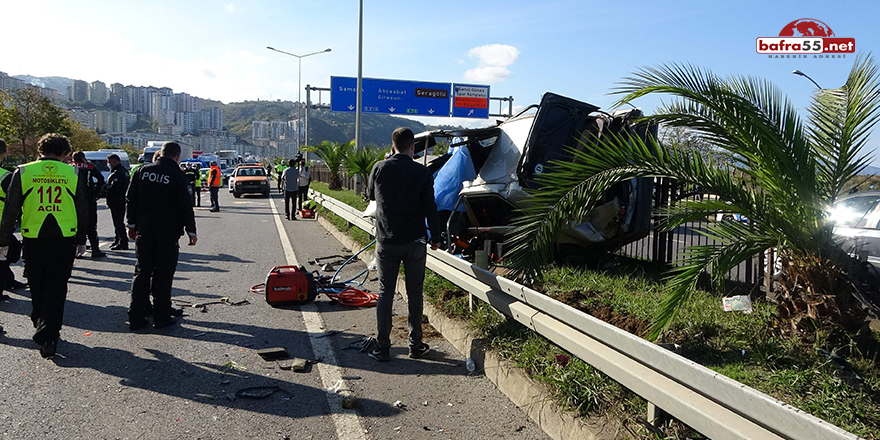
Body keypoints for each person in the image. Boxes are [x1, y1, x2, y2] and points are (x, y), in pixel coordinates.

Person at [0, 133, 88, 357]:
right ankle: (49, 332)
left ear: (40, 151)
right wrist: (81, 239)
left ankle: (40, 322)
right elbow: (82, 209)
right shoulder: (73, 172)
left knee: (37, 285)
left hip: (33, 237)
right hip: (63, 238)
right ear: (65, 153)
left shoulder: (24, 171)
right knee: (57, 287)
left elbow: (10, 209)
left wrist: (3, 240)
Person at [366, 127, 441, 362]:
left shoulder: (379, 168)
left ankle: (382, 348)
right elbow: (431, 207)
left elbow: (370, 195)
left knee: (385, 292)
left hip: (386, 242)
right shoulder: (422, 172)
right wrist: (436, 237)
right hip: (415, 242)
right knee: (414, 293)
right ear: (412, 147)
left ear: (392, 145)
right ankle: (415, 345)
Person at [126, 141, 197, 331]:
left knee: (142, 272)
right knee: (163, 275)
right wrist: (191, 231)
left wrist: (131, 224)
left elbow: (131, 198)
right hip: (167, 232)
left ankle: (136, 316)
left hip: (144, 230)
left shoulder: (142, 171)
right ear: (177, 157)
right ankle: (161, 316)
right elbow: (185, 205)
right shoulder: (178, 176)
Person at [0, 139, 27, 296]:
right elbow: (15, 202)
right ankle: (5, 280)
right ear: (3, 154)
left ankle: (8, 279)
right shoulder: (5, 176)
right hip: (2, 223)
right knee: (11, 251)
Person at [71, 151, 106, 258]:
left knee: (75, 224)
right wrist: (96, 192)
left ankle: (75, 249)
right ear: (83, 158)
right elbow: (100, 178)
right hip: (88, 199)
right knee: (91, 225)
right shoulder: (89, 167)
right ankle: (95, 249)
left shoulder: (69, 167)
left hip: (73, 200)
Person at [105, 154, 130, 250]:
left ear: (114, 161)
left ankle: (123, 242)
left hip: (117, 200)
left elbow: (115, 188)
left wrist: (105, 189)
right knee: (117, 222)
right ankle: (117, 239)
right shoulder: (123, 171)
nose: (109, 164)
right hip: (120, 200)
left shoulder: (118, 173)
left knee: (118, 222)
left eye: (109, 162)